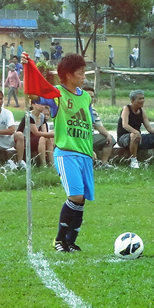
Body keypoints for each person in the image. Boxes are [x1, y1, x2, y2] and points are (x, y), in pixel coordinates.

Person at [25, 52, 95, 253]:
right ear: (68, 75)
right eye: (80, 72)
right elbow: (33, 94)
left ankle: (70, 241)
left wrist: (91, 150)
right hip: (66, 153)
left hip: (84, 154)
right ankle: (59, 240)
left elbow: (88, 125)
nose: (84, 76)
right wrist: (27, 68)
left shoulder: (86, 98)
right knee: (75, 195)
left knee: (81, 199)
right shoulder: (57, 94)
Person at [117, 90, 154, 169]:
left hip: (137, 136)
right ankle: (133, 160)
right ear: (133, 100)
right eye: (140, 99)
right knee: (134, 135)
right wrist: (135, 131)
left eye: (143, 98)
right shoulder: (126, 108)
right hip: (124, 137)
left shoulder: (142, 111)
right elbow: (125, 125)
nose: (142, 100)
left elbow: (149, 128)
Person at [83, 87, 116, 169]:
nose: (90, 99)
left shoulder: (93, 111)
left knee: (110, 139)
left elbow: (99, 126)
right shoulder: (76, 109)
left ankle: (103, 164)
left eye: (92, 97)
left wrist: (107, 135)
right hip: (80, 137)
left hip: (91, 136)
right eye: (88, 96)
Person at [17, 102, 54, 167]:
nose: (43, 106)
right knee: (43, 138)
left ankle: (52, 163)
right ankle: (43, 164)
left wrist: (51, 134)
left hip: (36, 139)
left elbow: (45, 132)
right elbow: (36, 132)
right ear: (33, 105)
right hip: (26, 139)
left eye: (43, 104)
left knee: (48, 138)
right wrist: (51, 134)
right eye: (40, 104)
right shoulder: (29, 116)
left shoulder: (42, 116)